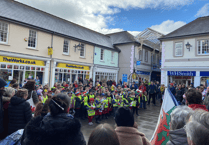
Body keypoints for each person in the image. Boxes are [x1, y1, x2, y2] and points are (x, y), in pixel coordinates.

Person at [21, 94, 86, 145]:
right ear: (68, 109)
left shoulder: (35, 126)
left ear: (50, 107)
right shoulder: (74, 130)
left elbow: (25, 142)